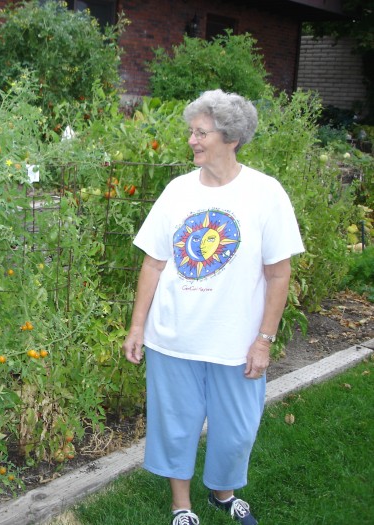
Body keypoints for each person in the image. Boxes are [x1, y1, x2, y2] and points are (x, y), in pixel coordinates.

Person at [122, 89, 304, 525]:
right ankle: (181, 506)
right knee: (175, 426)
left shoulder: (265, 193)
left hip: (235, 341)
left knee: (237, 430)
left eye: (201, 132)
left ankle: (223, 492)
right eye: (191, 131)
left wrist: (264, 339)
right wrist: (137, 327)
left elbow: (279, 274)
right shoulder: (177, 191)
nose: (192, 140)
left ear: (231, 137)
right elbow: (153, 262)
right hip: (174, 337)